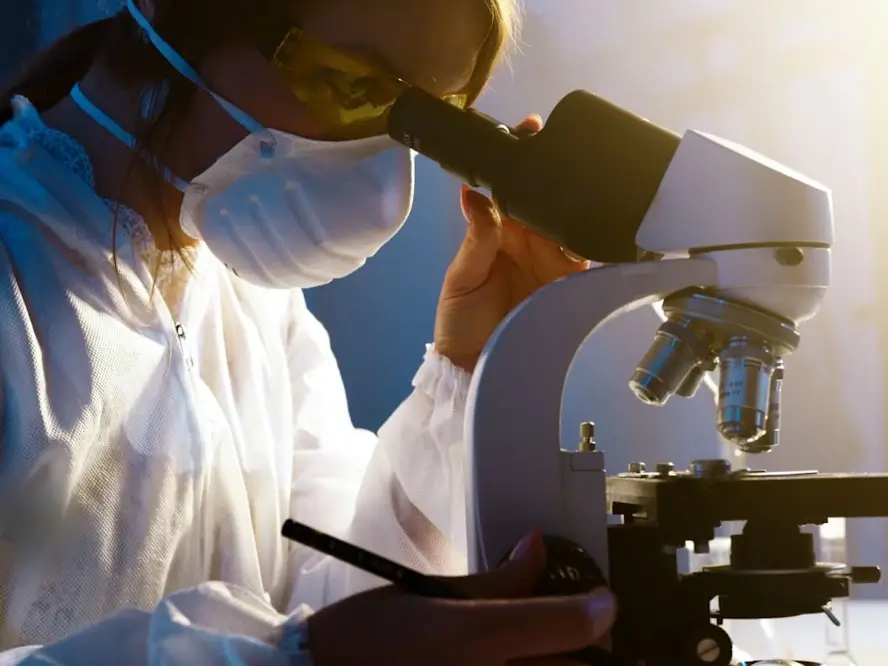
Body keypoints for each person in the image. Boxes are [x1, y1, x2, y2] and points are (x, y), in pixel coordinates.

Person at [0, 0, 616, 663]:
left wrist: (463, 369)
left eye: (422, 125)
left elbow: (335, 598)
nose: (381, 169)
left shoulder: (256, 305)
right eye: (355, 87)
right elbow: (307, 644)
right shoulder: (17, 278)